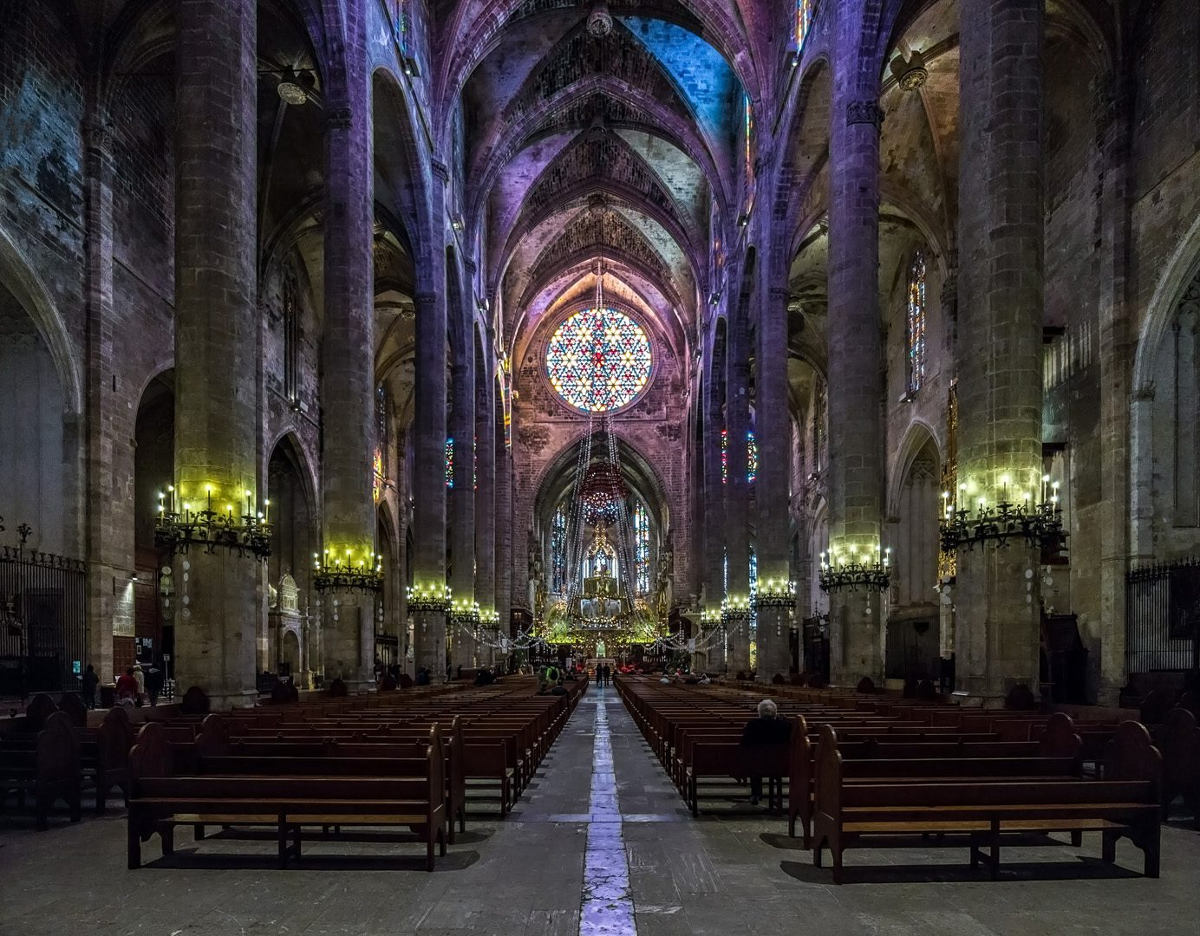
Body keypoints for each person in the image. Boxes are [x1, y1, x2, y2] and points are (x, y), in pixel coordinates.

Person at [740, 698, 792, 805]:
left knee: (754, 758)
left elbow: (744, 743)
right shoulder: (785, 725)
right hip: (781, 765)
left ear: (759, 712)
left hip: (757, 765)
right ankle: (777, 795)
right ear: (775, 712)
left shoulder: (752, 725)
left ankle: (755, 794)